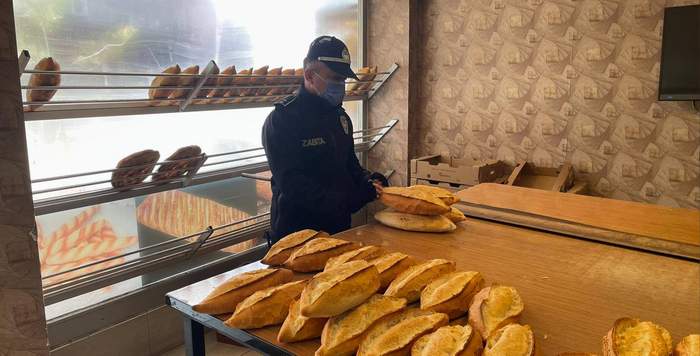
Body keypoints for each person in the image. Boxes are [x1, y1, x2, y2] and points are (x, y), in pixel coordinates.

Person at [261, 35, 388, 244]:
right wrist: (350, 200)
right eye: (335, 79)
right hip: (296, 236)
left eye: (343, 80)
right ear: (310, 75)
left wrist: (367, 179)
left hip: (337, 229)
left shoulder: (339, 117)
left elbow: (348, 163)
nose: (340, 86)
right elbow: (293, 185)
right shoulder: (282, 120)